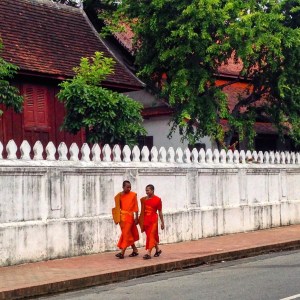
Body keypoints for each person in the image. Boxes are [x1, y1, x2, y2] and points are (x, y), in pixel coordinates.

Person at [113, 180, 139, 259]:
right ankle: (135, 250)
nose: (129, 188)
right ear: (123, 187)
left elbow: (136, 207)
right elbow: (117, 207)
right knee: (127, 234)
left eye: (130, 187)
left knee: (126, 233)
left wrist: (136, 217)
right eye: (127, 187)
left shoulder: (133, 195)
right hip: (122, 218)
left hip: (130, 217)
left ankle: (122, 252)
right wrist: (117, 218)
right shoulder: (119, 196)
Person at [139, 184, 165, 259]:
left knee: (151, 235)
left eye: (148, 190)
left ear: (152, 190)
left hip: (153, 220)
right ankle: (157, 249)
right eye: (146, 190)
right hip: (146, 220)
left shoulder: (158, 199)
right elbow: (142, 211)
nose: (146, 192)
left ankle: (149, 253)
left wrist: (162, 223)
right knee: (150, 236)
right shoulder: (143, 200)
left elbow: (160, 212)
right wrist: (139, 219)